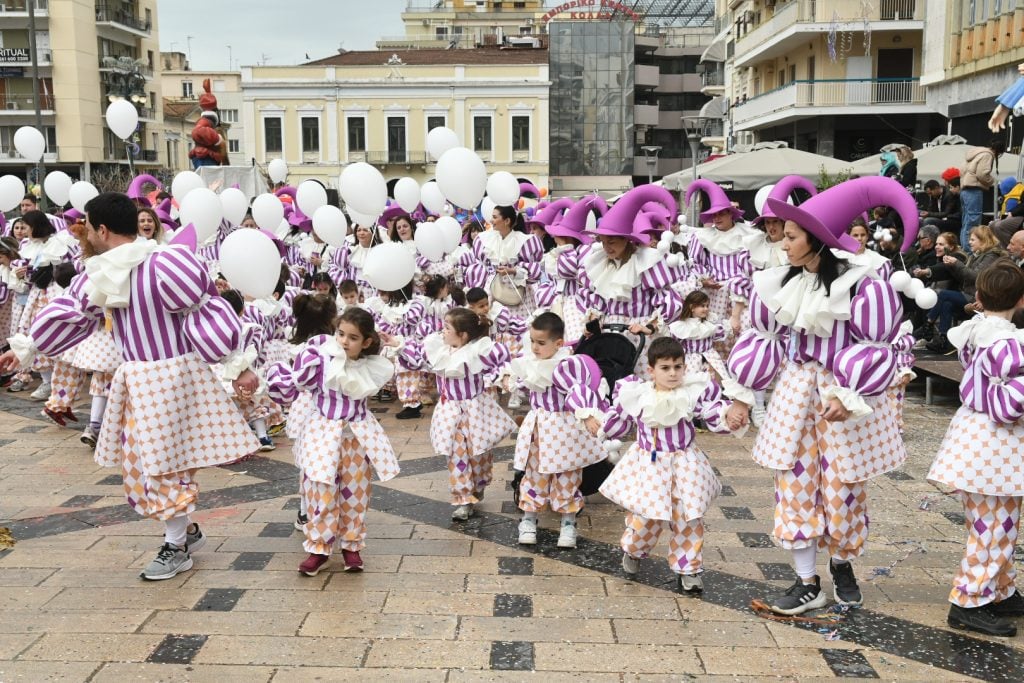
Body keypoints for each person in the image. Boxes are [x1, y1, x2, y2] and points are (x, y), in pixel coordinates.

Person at [0, 192, 261, 581]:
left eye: (88, 227)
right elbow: (72, 313)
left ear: (103, 230)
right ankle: (185, 532)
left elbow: (204, 310)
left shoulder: (165, 263)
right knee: (144, 465)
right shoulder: (100, 272)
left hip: (173, 378)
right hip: (137, 380)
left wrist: (237, 365)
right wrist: (24, 348)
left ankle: (176, 545)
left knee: (163, 467)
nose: (85, 234)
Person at [725, 176, 915, 615]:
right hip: (795, 395)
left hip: (842, 399)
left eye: (792, 236)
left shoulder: (864, 285)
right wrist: (741, 396)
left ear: (818, 240)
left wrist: (848, 394)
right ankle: (806, 581)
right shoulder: (777, 282)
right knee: (793, 485)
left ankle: (842, 563)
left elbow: (878, 346)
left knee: (843, 488)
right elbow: (763, 340)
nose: (783, 243)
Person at [596, 337, 745, 592]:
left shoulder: (691, 393)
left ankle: (689, 568)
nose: (673, 373)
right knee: (647, 518)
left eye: (678, 367)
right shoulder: (639, 395)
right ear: (651, 370)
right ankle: (633, 550)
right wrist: (600, 427)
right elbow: (619, 420)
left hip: (685, 463)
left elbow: (710, 411)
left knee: (688, 516)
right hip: (651, 465)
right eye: (665, 368)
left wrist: (727, 417)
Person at [927, 261, 1024, 637]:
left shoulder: (976, 331)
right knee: (995, 527)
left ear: (979, 296)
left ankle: (1001, 589)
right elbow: (1011, 404)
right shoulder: (1008, 343)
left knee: (994, 523)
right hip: (997, 445)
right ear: (1021, 300)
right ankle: (969, 601)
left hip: (974, 436)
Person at [267, 307, 399, 575]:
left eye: (353, 337)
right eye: (340, 334)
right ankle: (319, 548)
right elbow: (297, 383)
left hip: (357, 438)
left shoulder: (370, 366)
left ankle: (351, 545)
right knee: (321, 493)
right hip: (322, 435)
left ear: (366, 342)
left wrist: (397, 343)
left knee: (356, 493)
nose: (344, 341)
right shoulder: (321, 360)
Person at [391, 307, 516, 521]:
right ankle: (463, 498)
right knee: (457, 455)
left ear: (463, 335)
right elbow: (417, 358)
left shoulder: (478, 351)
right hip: (449, 411)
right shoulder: (439, 349)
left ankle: (478, 485)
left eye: (447, 328)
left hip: (476, 410)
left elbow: (501, 361)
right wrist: (398, 344)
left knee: (479, 455)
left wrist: (504, 376)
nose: (443, 331)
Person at [505, 312, 606, 548]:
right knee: (534, 474)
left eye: (541, 343)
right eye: (532, 341)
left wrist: (587, 414)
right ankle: (529, 519)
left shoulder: (566, 366)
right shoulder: (531, 362)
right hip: (539, 428)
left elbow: (577, 391)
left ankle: (568, 523)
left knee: (568, 475)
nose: (535, 347)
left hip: (564, 430)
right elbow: (522, 382)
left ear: (558, 343)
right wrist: (508, 380)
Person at [924, 225, 1006, 354]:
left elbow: (976, 277)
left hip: (980, 298)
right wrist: (951, 266)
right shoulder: (976, 255)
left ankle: (928, 323)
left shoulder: (991, 256)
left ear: (983, 240)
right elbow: (963, 278)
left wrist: (957, 263)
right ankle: (943, 340)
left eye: (973, 240)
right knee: (947, 304)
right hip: (968, 294)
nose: (969, 242)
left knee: (943, 294)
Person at [960, 138, 1005, 252]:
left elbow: (962, 171)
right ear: (998, 151)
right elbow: (982, 174)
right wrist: (993, 181)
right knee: (973, 222)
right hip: (974, 189)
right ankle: (970, 251)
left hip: (964, 190)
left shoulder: (975, 154)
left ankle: (964, 249)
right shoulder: (987, 155)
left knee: (966, 222)